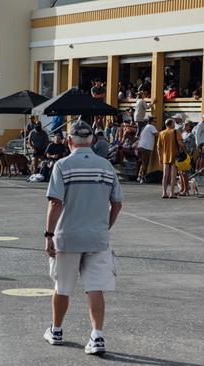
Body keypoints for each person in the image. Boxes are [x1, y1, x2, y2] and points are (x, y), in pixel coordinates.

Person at [43, 120, 123, 356]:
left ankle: (56, 331)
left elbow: (55, 202)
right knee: (95, 288)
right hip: (97, 238)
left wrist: (48, 235)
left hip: (68, 237)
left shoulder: (62, 165)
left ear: (69, 141)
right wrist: (104, 227)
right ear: (93, 141)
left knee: (62, 287)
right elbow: (117, 204)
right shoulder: (106, 166)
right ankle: (97, 336)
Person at [157, 118, 184, 199]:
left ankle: (164, 193)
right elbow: (180, 143)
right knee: (173, 176)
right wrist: (185, 150)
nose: (174, 124)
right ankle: (172, 193)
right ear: (171, 124)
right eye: (174, 123)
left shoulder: (161, 133)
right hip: (175, 156)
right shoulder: (176, 132)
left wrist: (160, 157)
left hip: (165, 157)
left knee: (165, 175)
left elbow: (158, 147)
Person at [136, 117, 158, 184]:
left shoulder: (145, 127)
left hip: (140, 146)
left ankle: (139, 176)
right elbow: (156, 134)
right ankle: (143, 177)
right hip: (146, 148)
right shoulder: (151, 126)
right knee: (145, 164)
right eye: (154, 121)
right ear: (151, 122)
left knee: (142, 163)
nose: (155, 123)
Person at [178, 121, 196, 196]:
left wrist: (189, 155)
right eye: (184, 124)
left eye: (186, 125)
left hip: (187, 156)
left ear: (189, 126)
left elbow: (193, 146)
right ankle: (182, 189)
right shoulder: (182, 134)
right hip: (181, 155)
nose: (184, 126)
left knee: (185, 173)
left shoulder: (191, 135)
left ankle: (186, 190)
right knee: (181, 173)